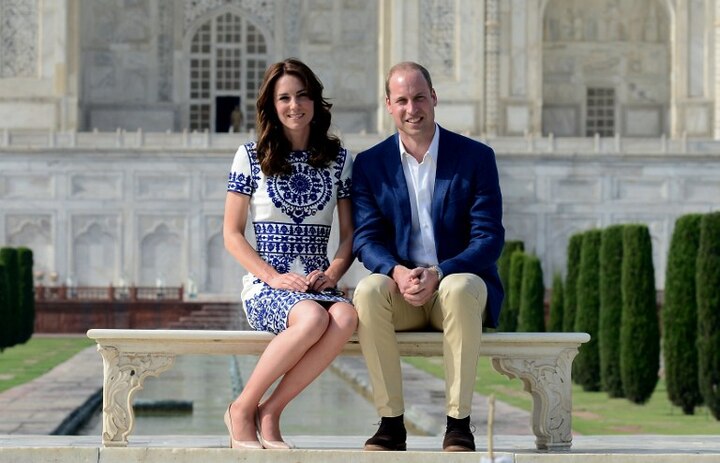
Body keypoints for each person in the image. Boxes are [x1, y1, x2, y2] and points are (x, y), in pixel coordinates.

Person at [351, 62, 505, 452]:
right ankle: (390, 423)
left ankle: (458, 424)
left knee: (459, 285)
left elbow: (489, 239)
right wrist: (396, 272)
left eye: (419, 97)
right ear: (388, 105)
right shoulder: (371, 165)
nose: (412, 108)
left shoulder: (474, 158)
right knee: (368, 291)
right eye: (401, 100)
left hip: (455, 291)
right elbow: (366, 240)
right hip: (403, 292)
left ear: (434, 97)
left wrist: (440, 271)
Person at [223, 58, 357, 449]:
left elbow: (349, 236)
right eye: (284, 97)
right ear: (271, 105)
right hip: (269, 285)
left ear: (315, 101)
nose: (294, 105)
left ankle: (271, 411)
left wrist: (333, 272)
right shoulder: (250, 156)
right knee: (313, 317)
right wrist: (273, 277)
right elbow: (232, 234)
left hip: (317, 284)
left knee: (346, 316)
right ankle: (242, 408)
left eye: (302, 95)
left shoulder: (339, 161)